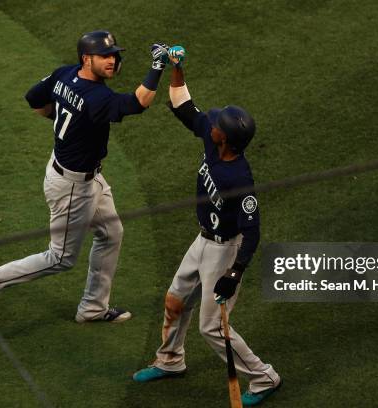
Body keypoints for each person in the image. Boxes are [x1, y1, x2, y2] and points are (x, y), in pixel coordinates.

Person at [0, 31, 169, 325]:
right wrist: (158, 65)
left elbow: (35, 100)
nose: (112, 61)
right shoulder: (97, 96)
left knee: (112, 234)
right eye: (105, 56)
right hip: (73, 186)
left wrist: (70, 121)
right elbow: (138, 103)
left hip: (80, 175)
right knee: (60, 258)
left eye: (114, 56)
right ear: (87, 59)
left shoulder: (64, 74)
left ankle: (93, 308)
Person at [132, 46, 281, 406]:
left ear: (226, 138)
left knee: (211, 326)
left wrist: (235, 272)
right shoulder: (213, 143)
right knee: (176, 299)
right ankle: (169, 360)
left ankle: (264, 378)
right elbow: (183, 104)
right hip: (202, 240)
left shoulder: (238, 176)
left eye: (216, 126)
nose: (210, 125)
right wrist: (177, 68)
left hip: (225, 251)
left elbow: (254, 229)